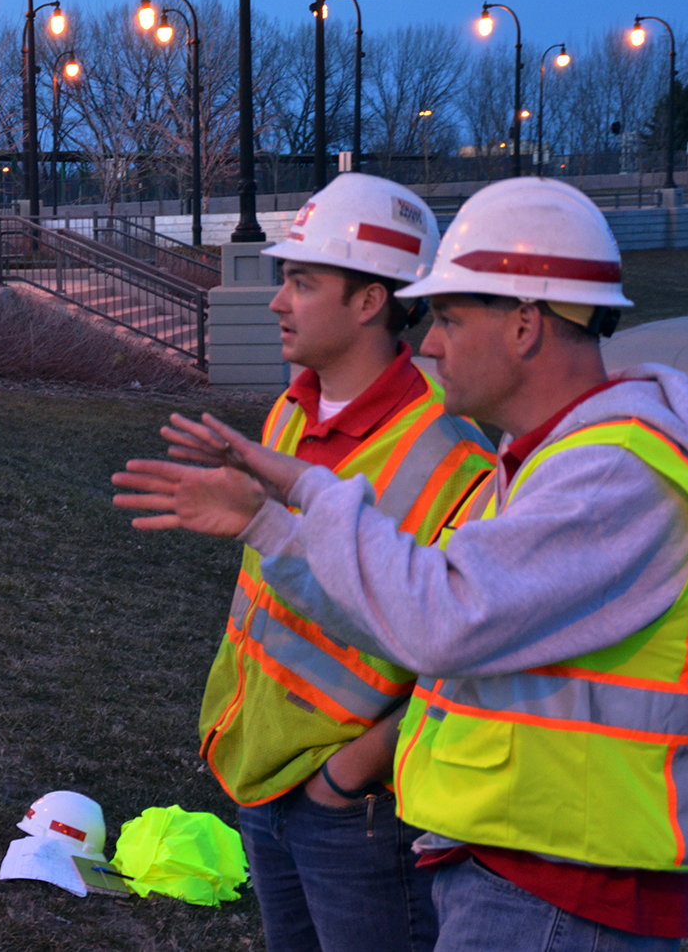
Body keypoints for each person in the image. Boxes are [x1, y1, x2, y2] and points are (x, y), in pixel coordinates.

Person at [113, 177, 688, 951]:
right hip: (507, 864)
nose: (428, 341)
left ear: (525, 325)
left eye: (451, 318)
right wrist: (268, 518)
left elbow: (438, 623)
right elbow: (440, 618)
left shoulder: (612, 475)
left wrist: (342, 777)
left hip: (562, 887)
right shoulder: (546, 464)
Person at [190, 174, 493, 952]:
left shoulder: (453, 459)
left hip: (356, 812)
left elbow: (466, 655)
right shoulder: (289, 410)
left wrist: (347, 775)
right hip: (261, 774)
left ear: (369, 302)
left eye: (302, 281)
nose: (275, 301)